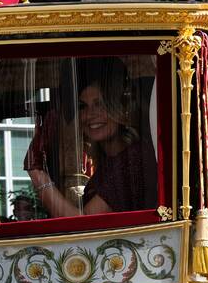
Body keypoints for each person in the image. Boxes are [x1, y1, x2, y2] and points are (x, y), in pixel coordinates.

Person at [25, 58, 156, 218]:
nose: (89, 115)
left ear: (120, 108)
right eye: (83, 106)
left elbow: (83, 223)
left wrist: (38, 175)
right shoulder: (111, 161)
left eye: (99, 104)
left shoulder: (132, 159)